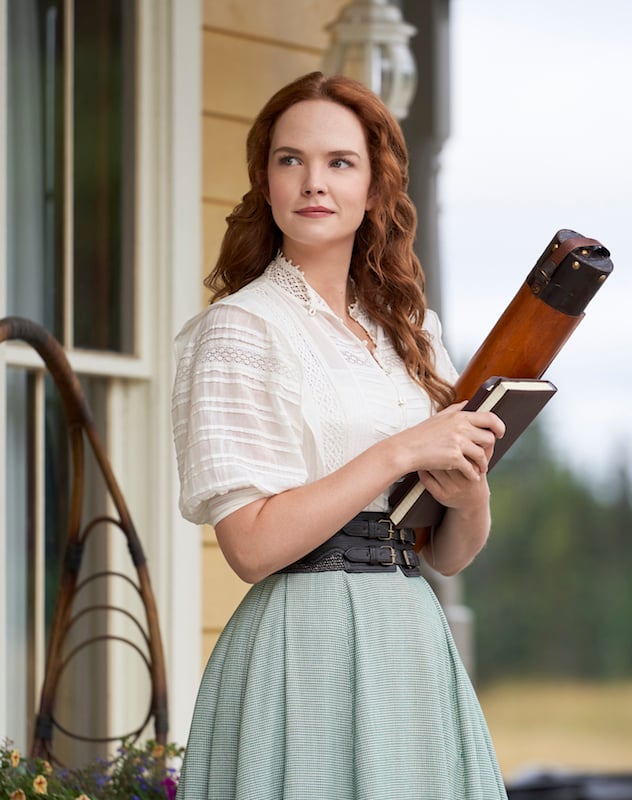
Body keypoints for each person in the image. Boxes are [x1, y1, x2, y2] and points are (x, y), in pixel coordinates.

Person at [170, 71, 510, 799]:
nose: (312, 182)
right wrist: (399, 451)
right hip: (302, 646)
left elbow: (445, 553)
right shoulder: (240, 330)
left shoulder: (412, 333)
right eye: (290, 159)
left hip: (411, 643)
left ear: (375, 188)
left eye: (339, 162)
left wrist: (469, 489)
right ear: (265, 182)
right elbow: (251, 548)